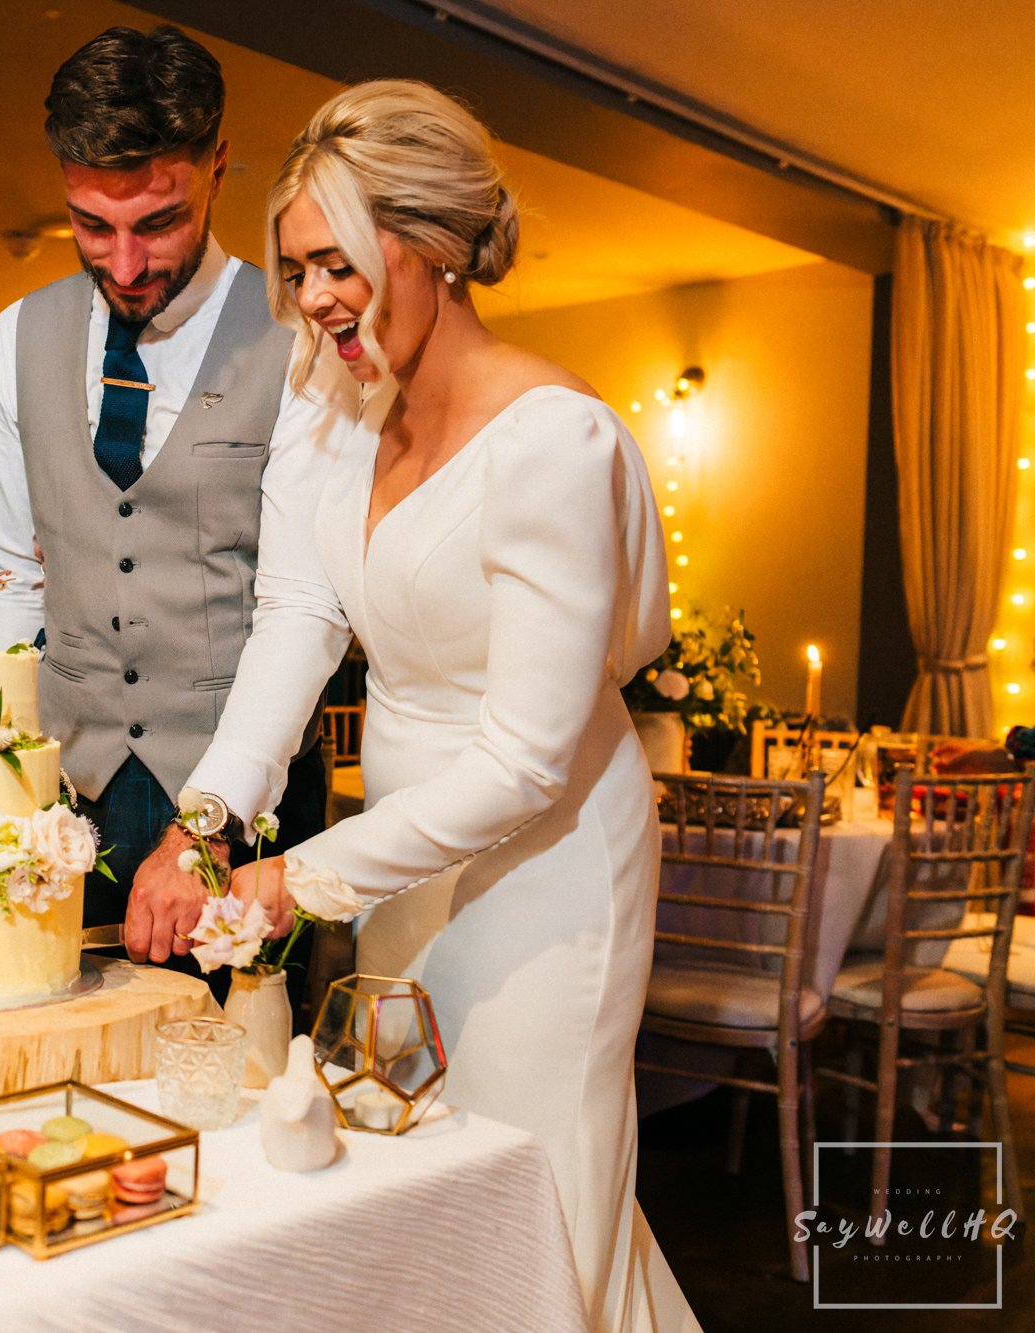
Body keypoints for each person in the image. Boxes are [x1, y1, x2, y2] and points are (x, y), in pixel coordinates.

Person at [197, 82, 697, 1331]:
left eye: (334, 264)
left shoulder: (551, 442)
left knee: (528, 1177)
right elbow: (296, 616)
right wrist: (216, 811)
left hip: (549, 863)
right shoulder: (329, 406)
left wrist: (296, 878)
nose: (311, 301)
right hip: (402, 855)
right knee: (411, 1168)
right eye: (296, 269)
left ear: (424, 249)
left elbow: (529, 760)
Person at [0, 25, 356, 956]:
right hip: (72, 792)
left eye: (158, 222)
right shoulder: (17, 335)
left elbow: (303, 604)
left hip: (247, 797)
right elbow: (8, 571)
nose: (126, 264)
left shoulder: (298, 342)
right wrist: (16, 775)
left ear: (217, 169)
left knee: (234, 1076)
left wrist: (210, 820)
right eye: (92, 225)